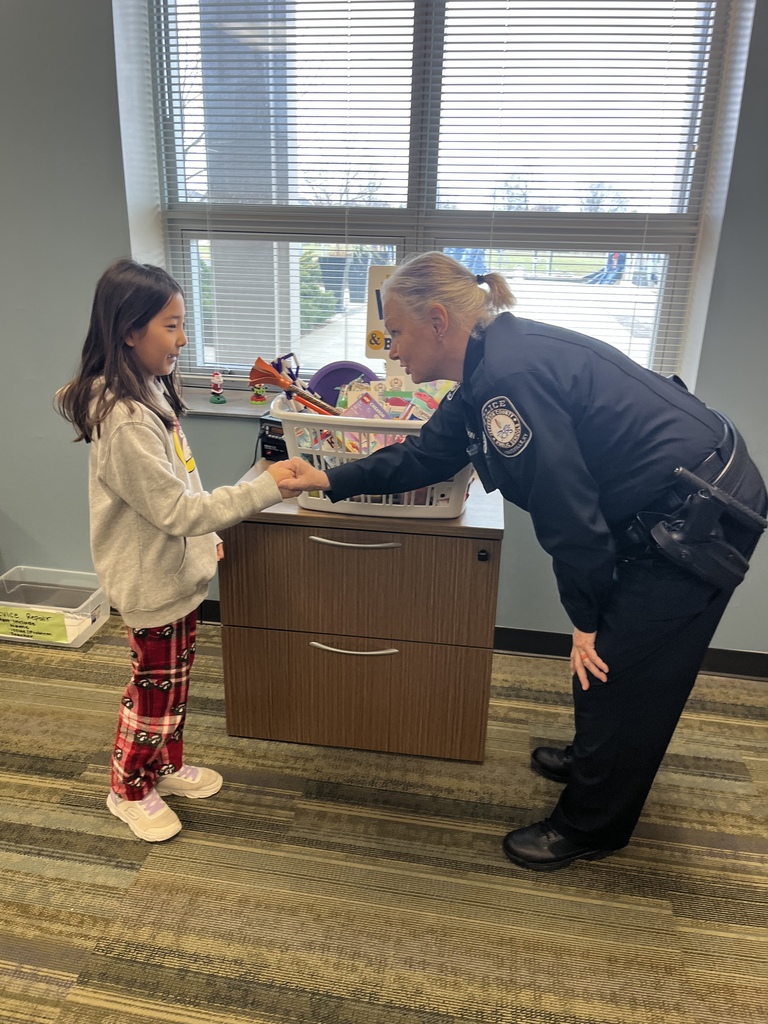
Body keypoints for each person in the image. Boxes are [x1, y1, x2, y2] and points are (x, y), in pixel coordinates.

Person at [282, 251, 767, 871]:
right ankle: (595, 759)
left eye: (396, 332)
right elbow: (427, 456)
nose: (389, 348)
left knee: (622, 666)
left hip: (700, 514)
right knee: (608, 657)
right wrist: (326, 479)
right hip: (671, 494)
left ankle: (592, 823)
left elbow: (570, 518)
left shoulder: (509, 380)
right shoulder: (489, 363)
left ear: (437, 320)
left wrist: (586, 620)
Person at [56, 259, 297, 843]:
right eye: (171, 325)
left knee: (175, 683)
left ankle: (162, 765)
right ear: (129, 331)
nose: (183, 340)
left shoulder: (150, 395)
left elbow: (182, 485)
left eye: (182, 324)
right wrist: (264, 488)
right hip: (150, 582)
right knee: (152, 692)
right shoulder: (124, 419)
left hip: (176, 572)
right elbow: (176, 511)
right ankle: (128, 787)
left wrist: (208, 539)